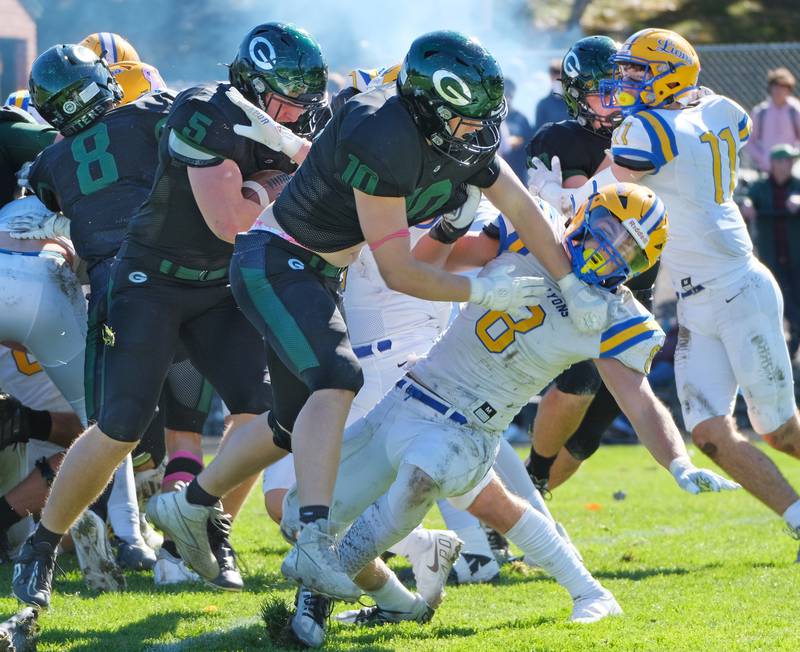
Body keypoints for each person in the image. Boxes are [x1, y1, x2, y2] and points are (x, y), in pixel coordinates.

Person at [146, 30, 611, 606]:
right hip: (279, 259)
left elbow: (520, 205)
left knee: (291, 424)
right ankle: (317, 536)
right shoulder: (381, 135)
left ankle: (189, 503)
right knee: (338, 380)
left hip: (315, 273)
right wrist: (482, 293)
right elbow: (398, 271)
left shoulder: (453, 134)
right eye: (464, 119)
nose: (476, 133)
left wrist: (568, 279)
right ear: (427, 107)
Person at [279, 183, 736, 634]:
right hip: (412, 393)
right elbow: (427, 267)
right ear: (584, 216)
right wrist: (453, 234)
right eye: (607, 231)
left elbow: (639, 400)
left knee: (421, 480)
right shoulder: (528, 234)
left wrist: (678, 461)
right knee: (302, 517)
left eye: (627, 251)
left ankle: (317, 591)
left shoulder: (611, 315)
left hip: (471, 425)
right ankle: (399, 602)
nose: (608, 251)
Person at [12, 21, 325, 609]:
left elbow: (67, 190)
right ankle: (52, 545)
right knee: (132, 427)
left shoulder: (54, 164)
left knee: (134, 428)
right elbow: (240, 161)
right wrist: (270, 178)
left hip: (162, 283)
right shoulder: (155, 112)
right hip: (152, 284)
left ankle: (189, 515)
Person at [534, 27, 800, 555]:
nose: (626, 79)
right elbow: (730, 127)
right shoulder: (721, 108)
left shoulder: (647, 128)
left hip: (735, 289)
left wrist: (551, 197)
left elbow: (605, 197)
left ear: (669, 74)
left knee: (780, 430)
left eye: (638, 71)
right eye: (626, 69)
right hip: (697, 297)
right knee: (709, 433)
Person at [525, 35, 659, 493]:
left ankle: (533, 496)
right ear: (577, 94)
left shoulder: (643, 129)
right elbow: (591, 207)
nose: (617, 99)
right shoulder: (559, 137)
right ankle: (530, 484)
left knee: (592, 433)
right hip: (585, 288)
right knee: (578, 386)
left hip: (639, 287)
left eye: (622, 88)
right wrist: (625, 149)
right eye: (605, 90)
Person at [742, 144, 800, 356]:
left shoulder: (797, 185)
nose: (790, 164)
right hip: (771, 256)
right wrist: (747, 204)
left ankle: (794, 338)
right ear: (774, 164)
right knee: (775, 301)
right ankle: (781, 344)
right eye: (786, 160)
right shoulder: (761, 187)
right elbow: (746, 197)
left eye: (791, 160)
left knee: (796, 299)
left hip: (796, 256)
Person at [747, 68, 800, 173]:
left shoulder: (796, 110)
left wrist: (793, 159)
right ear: (770, 88)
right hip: (766, 170)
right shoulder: (760, 112)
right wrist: (763, 160)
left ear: (789, 89)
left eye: (782, 87)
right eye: (775, 87)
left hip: (792, 171)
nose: (778, 91)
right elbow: (749, 141)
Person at [498, 79, 531, 181]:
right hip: (497, 171)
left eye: (510, 93)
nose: (508, 97)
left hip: (518, 172)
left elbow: (529, 142)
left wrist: (516, 141)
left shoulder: (521, 118)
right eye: (505, 93)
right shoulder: (492, 117)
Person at [531, 59, 569, 135]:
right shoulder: (543, 105)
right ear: (550, 76)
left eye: (560, 74)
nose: (558, 78)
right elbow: (539, 134)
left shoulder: (575, 103)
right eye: (554, 73)